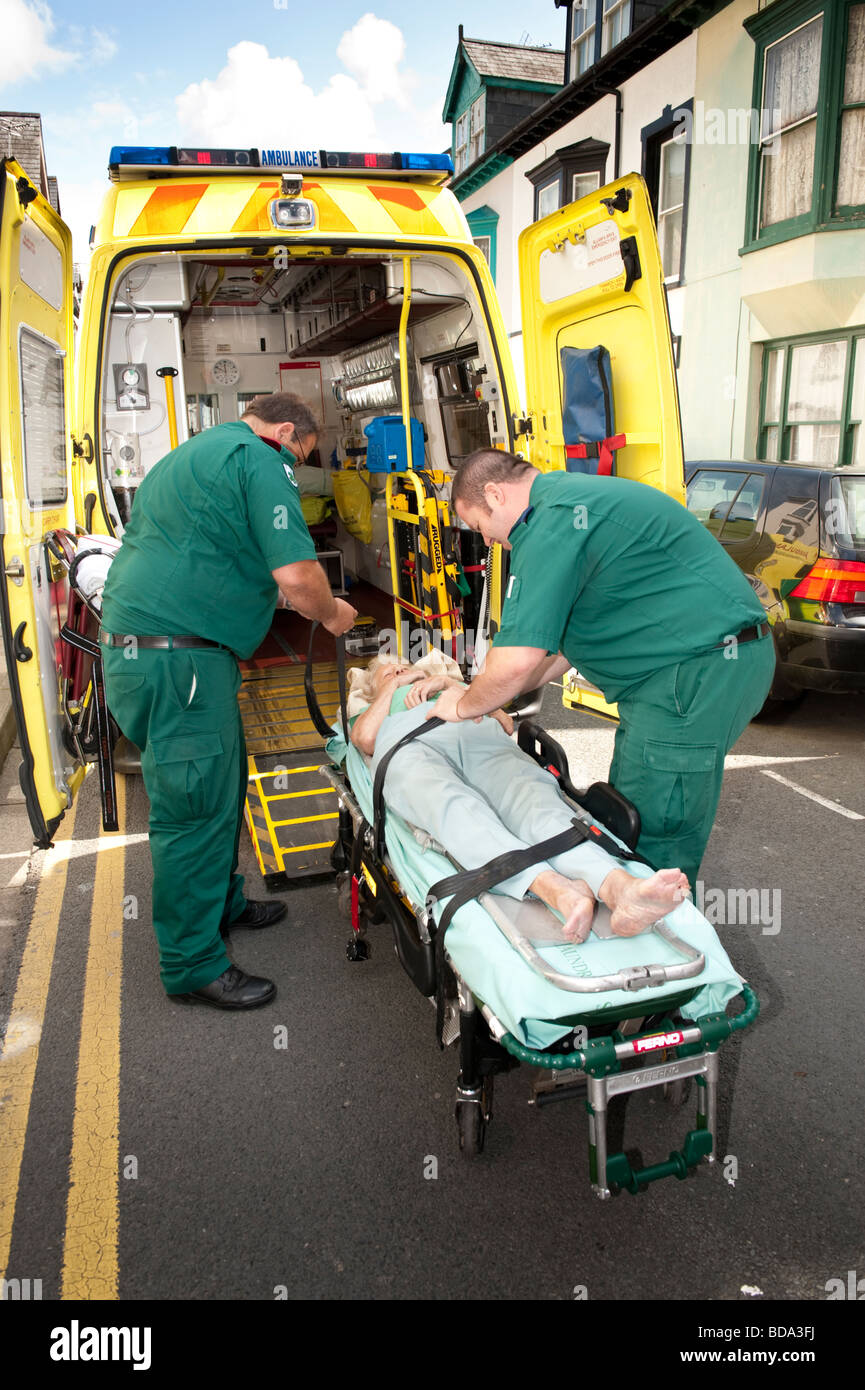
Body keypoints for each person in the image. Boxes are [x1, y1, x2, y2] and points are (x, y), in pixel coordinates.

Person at [100, 393, 357, 1010]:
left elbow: (217, 551)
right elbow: (298, 577)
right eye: (304, 453)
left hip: (162, 652)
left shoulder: (197, 450)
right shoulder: (260, 457)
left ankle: (223, 903)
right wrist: (331, 613)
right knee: (191, 809)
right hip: (177, 659)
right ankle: (191, 962)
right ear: (288, 432)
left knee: (218, 784)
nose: (298, 466)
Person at [438, 451, 775, 893]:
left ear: (495, 494)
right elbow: (560, 647)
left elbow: (516, 659)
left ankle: (655, 941)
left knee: (652, 829)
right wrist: (502, 690)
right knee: (630, 808)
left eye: (481, 528)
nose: (488, 543)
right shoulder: (569, 501)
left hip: (692, 675)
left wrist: (462, 706)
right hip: (700, 667)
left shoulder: (549, 524)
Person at [348, 653, 691, 941]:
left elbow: (503, 721)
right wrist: (391, 686)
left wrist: (449, 684)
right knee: (452, 806)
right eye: (387, 673)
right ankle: (556, 889)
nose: (398, 672)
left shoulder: (444, 686)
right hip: (409, 745)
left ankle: (621, 888)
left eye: (403, 667)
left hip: (471, 731)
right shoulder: (379, 706)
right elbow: (364, 739)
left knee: (532, 799)